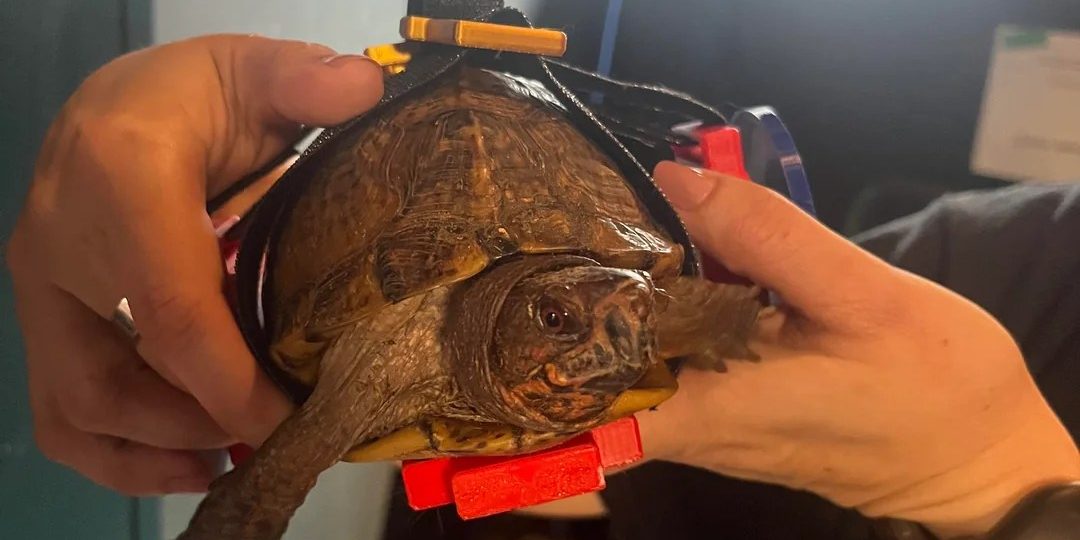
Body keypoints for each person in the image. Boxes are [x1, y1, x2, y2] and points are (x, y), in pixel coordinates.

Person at [6, 35, 1078, 539]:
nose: (615, 343)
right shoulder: (1017, 256)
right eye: (570, 318)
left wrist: (1004, 487)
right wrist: (176, 216)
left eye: (628, 318)